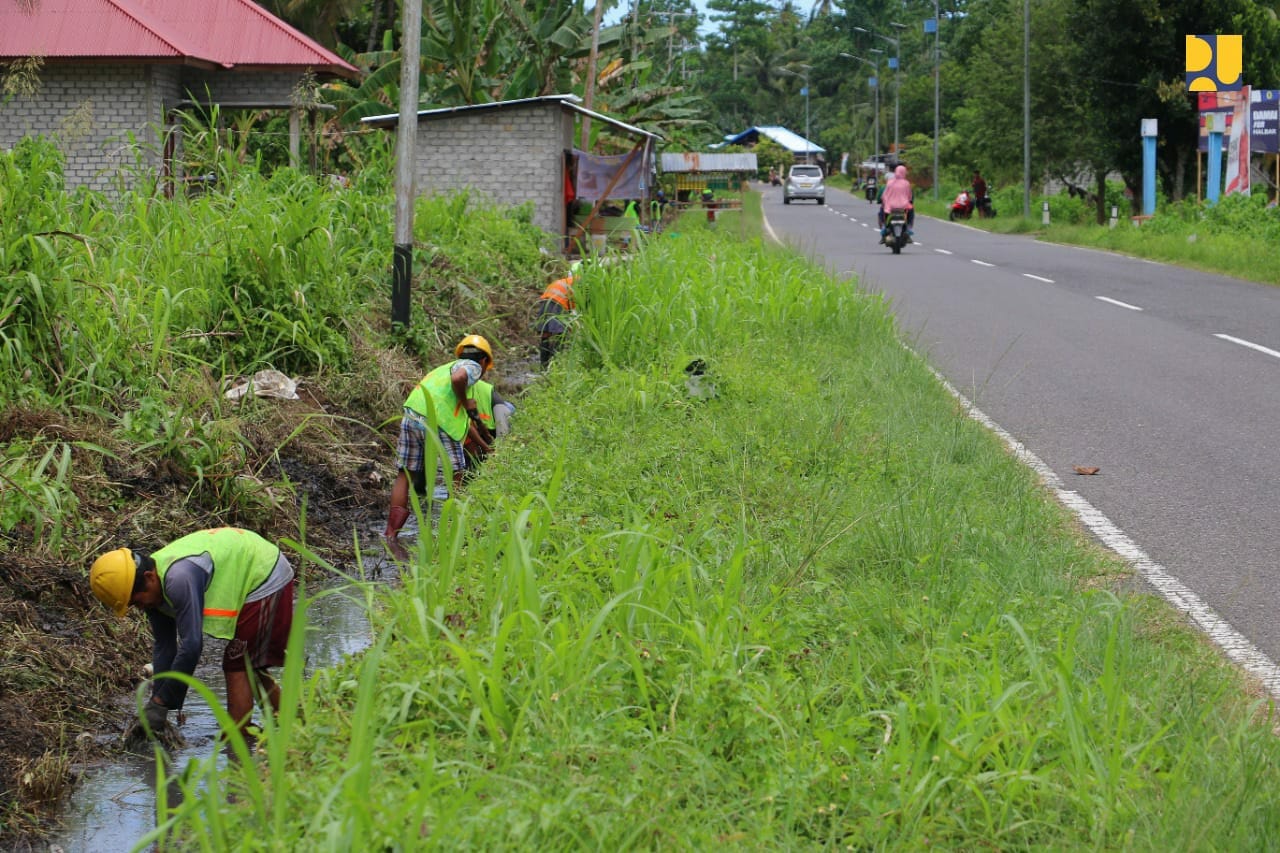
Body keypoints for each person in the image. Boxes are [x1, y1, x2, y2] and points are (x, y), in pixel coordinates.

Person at [88, 527, 295, 737]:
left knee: (237, 662)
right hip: (250, 571)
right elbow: (165, 646)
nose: (139, 608)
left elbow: (191, 646)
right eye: (132, 605)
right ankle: (291, 721)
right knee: (249, 662)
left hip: (265, 572)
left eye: (137, 600)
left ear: (149, 577)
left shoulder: (179, 578)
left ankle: (237, 739)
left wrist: (161, 702)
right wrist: (157, 702)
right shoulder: (153, 591)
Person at [384, 335, 495, 540]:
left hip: (411, 414)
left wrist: (486, 446)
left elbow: (465, 424)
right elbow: (458, 379)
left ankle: (391, 534)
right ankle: (453, 528)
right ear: (483, 361)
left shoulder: (442, 370)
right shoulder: (471, 366)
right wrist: (465, 400)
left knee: (405, 474)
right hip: (436, 421)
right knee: (457, 473)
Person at [462, 378, 516, 466]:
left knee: (503, 444)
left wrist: (496, 452)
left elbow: (503, 440)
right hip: (480, 423)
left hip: (497, 415)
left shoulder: (497, 407)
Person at [533, 273, 575, 368]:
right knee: (560, 333)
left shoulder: (570, 280)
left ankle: (543, 365)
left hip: (547, 298)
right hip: (558, 301)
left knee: (546, 333)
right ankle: (556, 364)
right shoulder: (586, 283)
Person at [878, 164, 915, 237]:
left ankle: (884, 227)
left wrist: (884, 201)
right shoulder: (906, 183)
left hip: (890, 206)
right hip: (903, 206)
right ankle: (909, 227)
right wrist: (909, 201)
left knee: (882, 211)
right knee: (911, 211)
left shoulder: (890, 182)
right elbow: (909, 195)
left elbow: (885, 194)